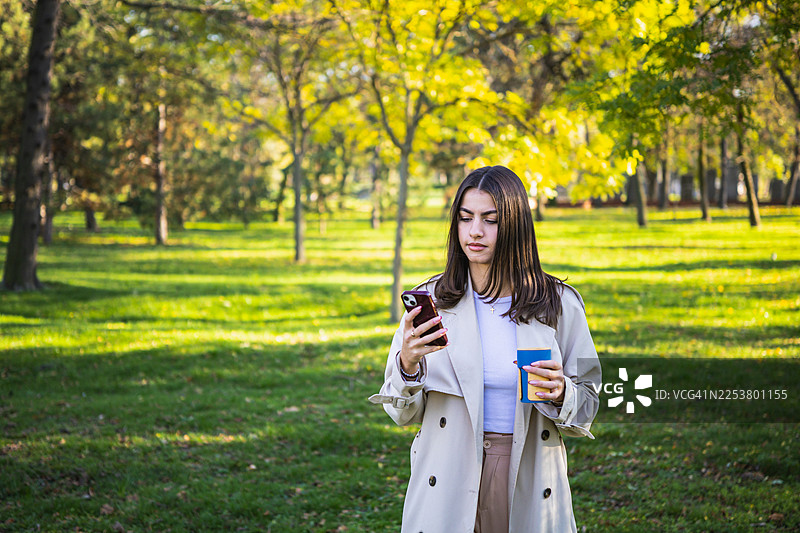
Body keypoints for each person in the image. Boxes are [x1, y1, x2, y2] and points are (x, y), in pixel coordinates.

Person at [369, 165, 601, 533]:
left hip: (527, 468)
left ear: (514, 225)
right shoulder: (433, 302)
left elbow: (589, 404)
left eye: (490, 220)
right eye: (465, 218)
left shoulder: (559, 304)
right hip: (446, 470)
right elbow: (403, 415)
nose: (474, 231)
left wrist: (561, 394)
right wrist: (407, 364)